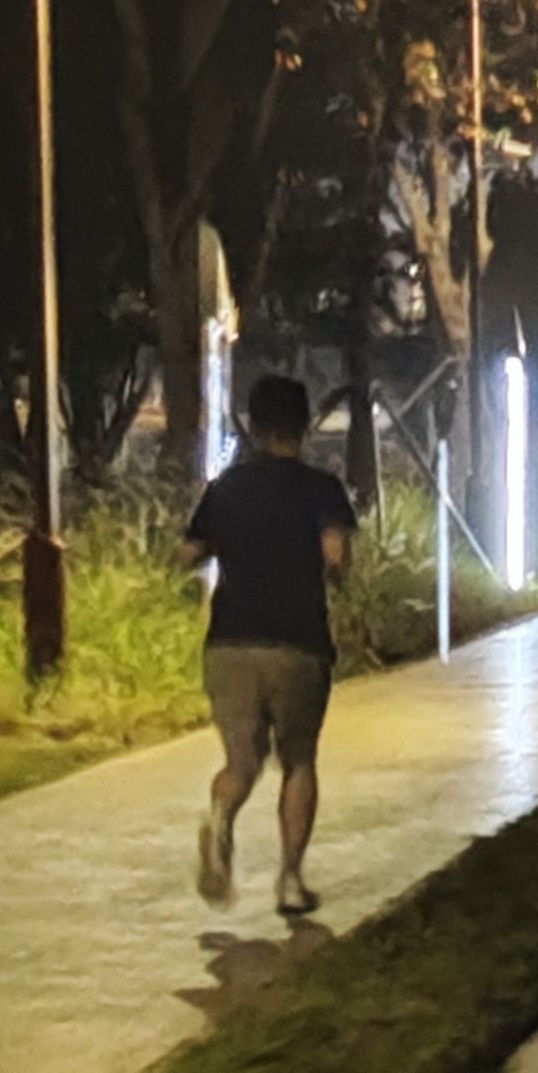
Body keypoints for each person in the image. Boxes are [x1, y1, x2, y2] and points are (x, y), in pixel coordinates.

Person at [183, 372, 356, 916]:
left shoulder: (225, 489)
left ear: (254, 426)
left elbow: (187, 555)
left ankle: (221, 818)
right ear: (305, 425)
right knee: (298, 761)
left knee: (241, 762)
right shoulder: (321, 489)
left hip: (230, 643)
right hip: (297, 642)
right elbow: (335, 557)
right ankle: (290, 881)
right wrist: (336, 576)